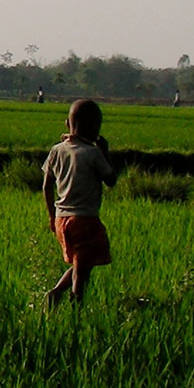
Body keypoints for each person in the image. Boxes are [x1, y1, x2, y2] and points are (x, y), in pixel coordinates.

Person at [43, 98, 118, 308]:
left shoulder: (57, 150)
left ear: (68, 123)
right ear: (95, 127)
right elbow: (111, 179)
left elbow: (47, 186)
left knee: (82, 264)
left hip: (61, 219)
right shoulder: (92, 153)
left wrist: (51, 216)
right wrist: (106, 151)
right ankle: (73, 308)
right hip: (84, 220)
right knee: (82, 276)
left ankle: (57, 294)